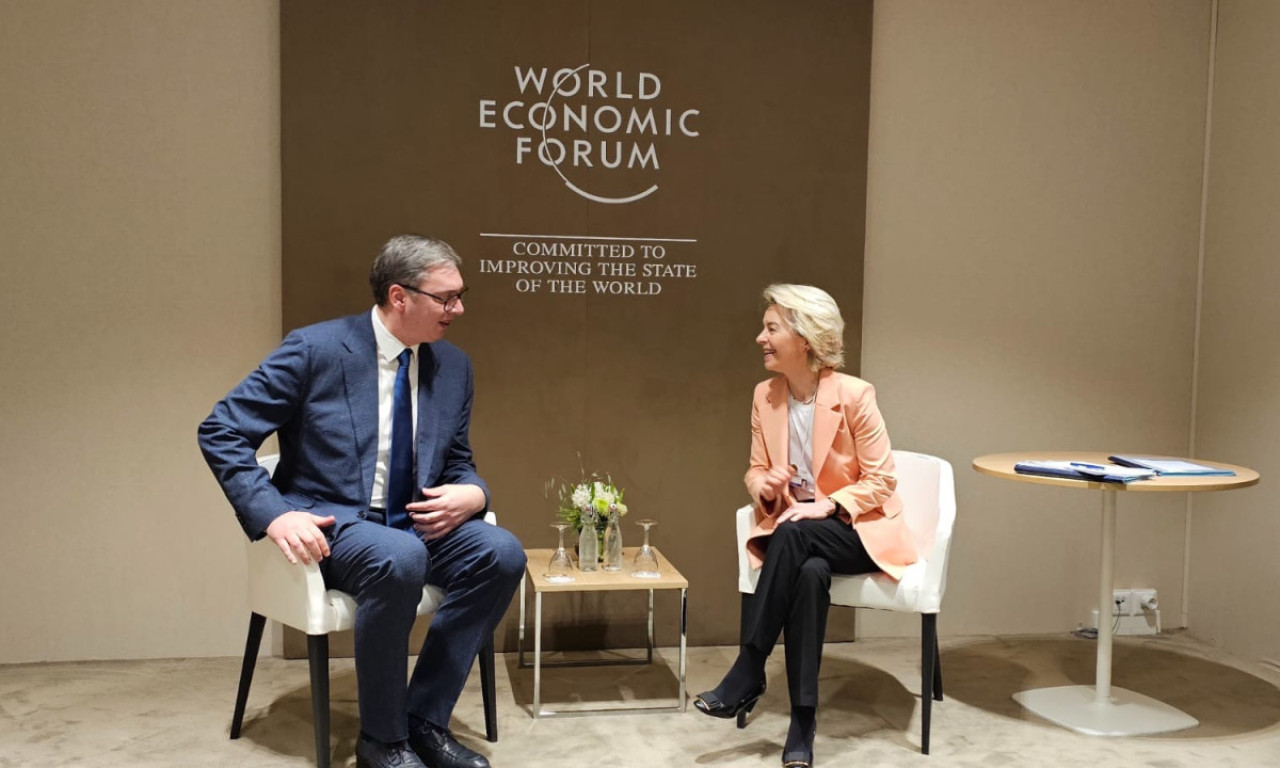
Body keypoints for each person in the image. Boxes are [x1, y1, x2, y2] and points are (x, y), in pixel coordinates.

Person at [198, 234, 525, 768]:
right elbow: (222, 431)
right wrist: (274, 515)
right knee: (401, 556)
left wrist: (474, 491)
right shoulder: (316, 349)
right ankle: (383, 741)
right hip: (336, 523)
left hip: (415, 522)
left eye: (460, 296)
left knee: (502, 553)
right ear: (400, 297)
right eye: (446, 298)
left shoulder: (453, 366)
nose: (458, 309)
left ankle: (424, 720)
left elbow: (456, 459)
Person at [693, 284, 919, 768]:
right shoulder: (765, 395)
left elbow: (882, 480)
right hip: (799, 536)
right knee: (810, 573)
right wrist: (765, 486)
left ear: (806, 338)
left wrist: (828, 505)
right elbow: (756, 470)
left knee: (794, 533)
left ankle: (750, 667)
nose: (760, 338)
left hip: (857, 530)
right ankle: (802, 722)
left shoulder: (854, 395)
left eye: (771, 328)